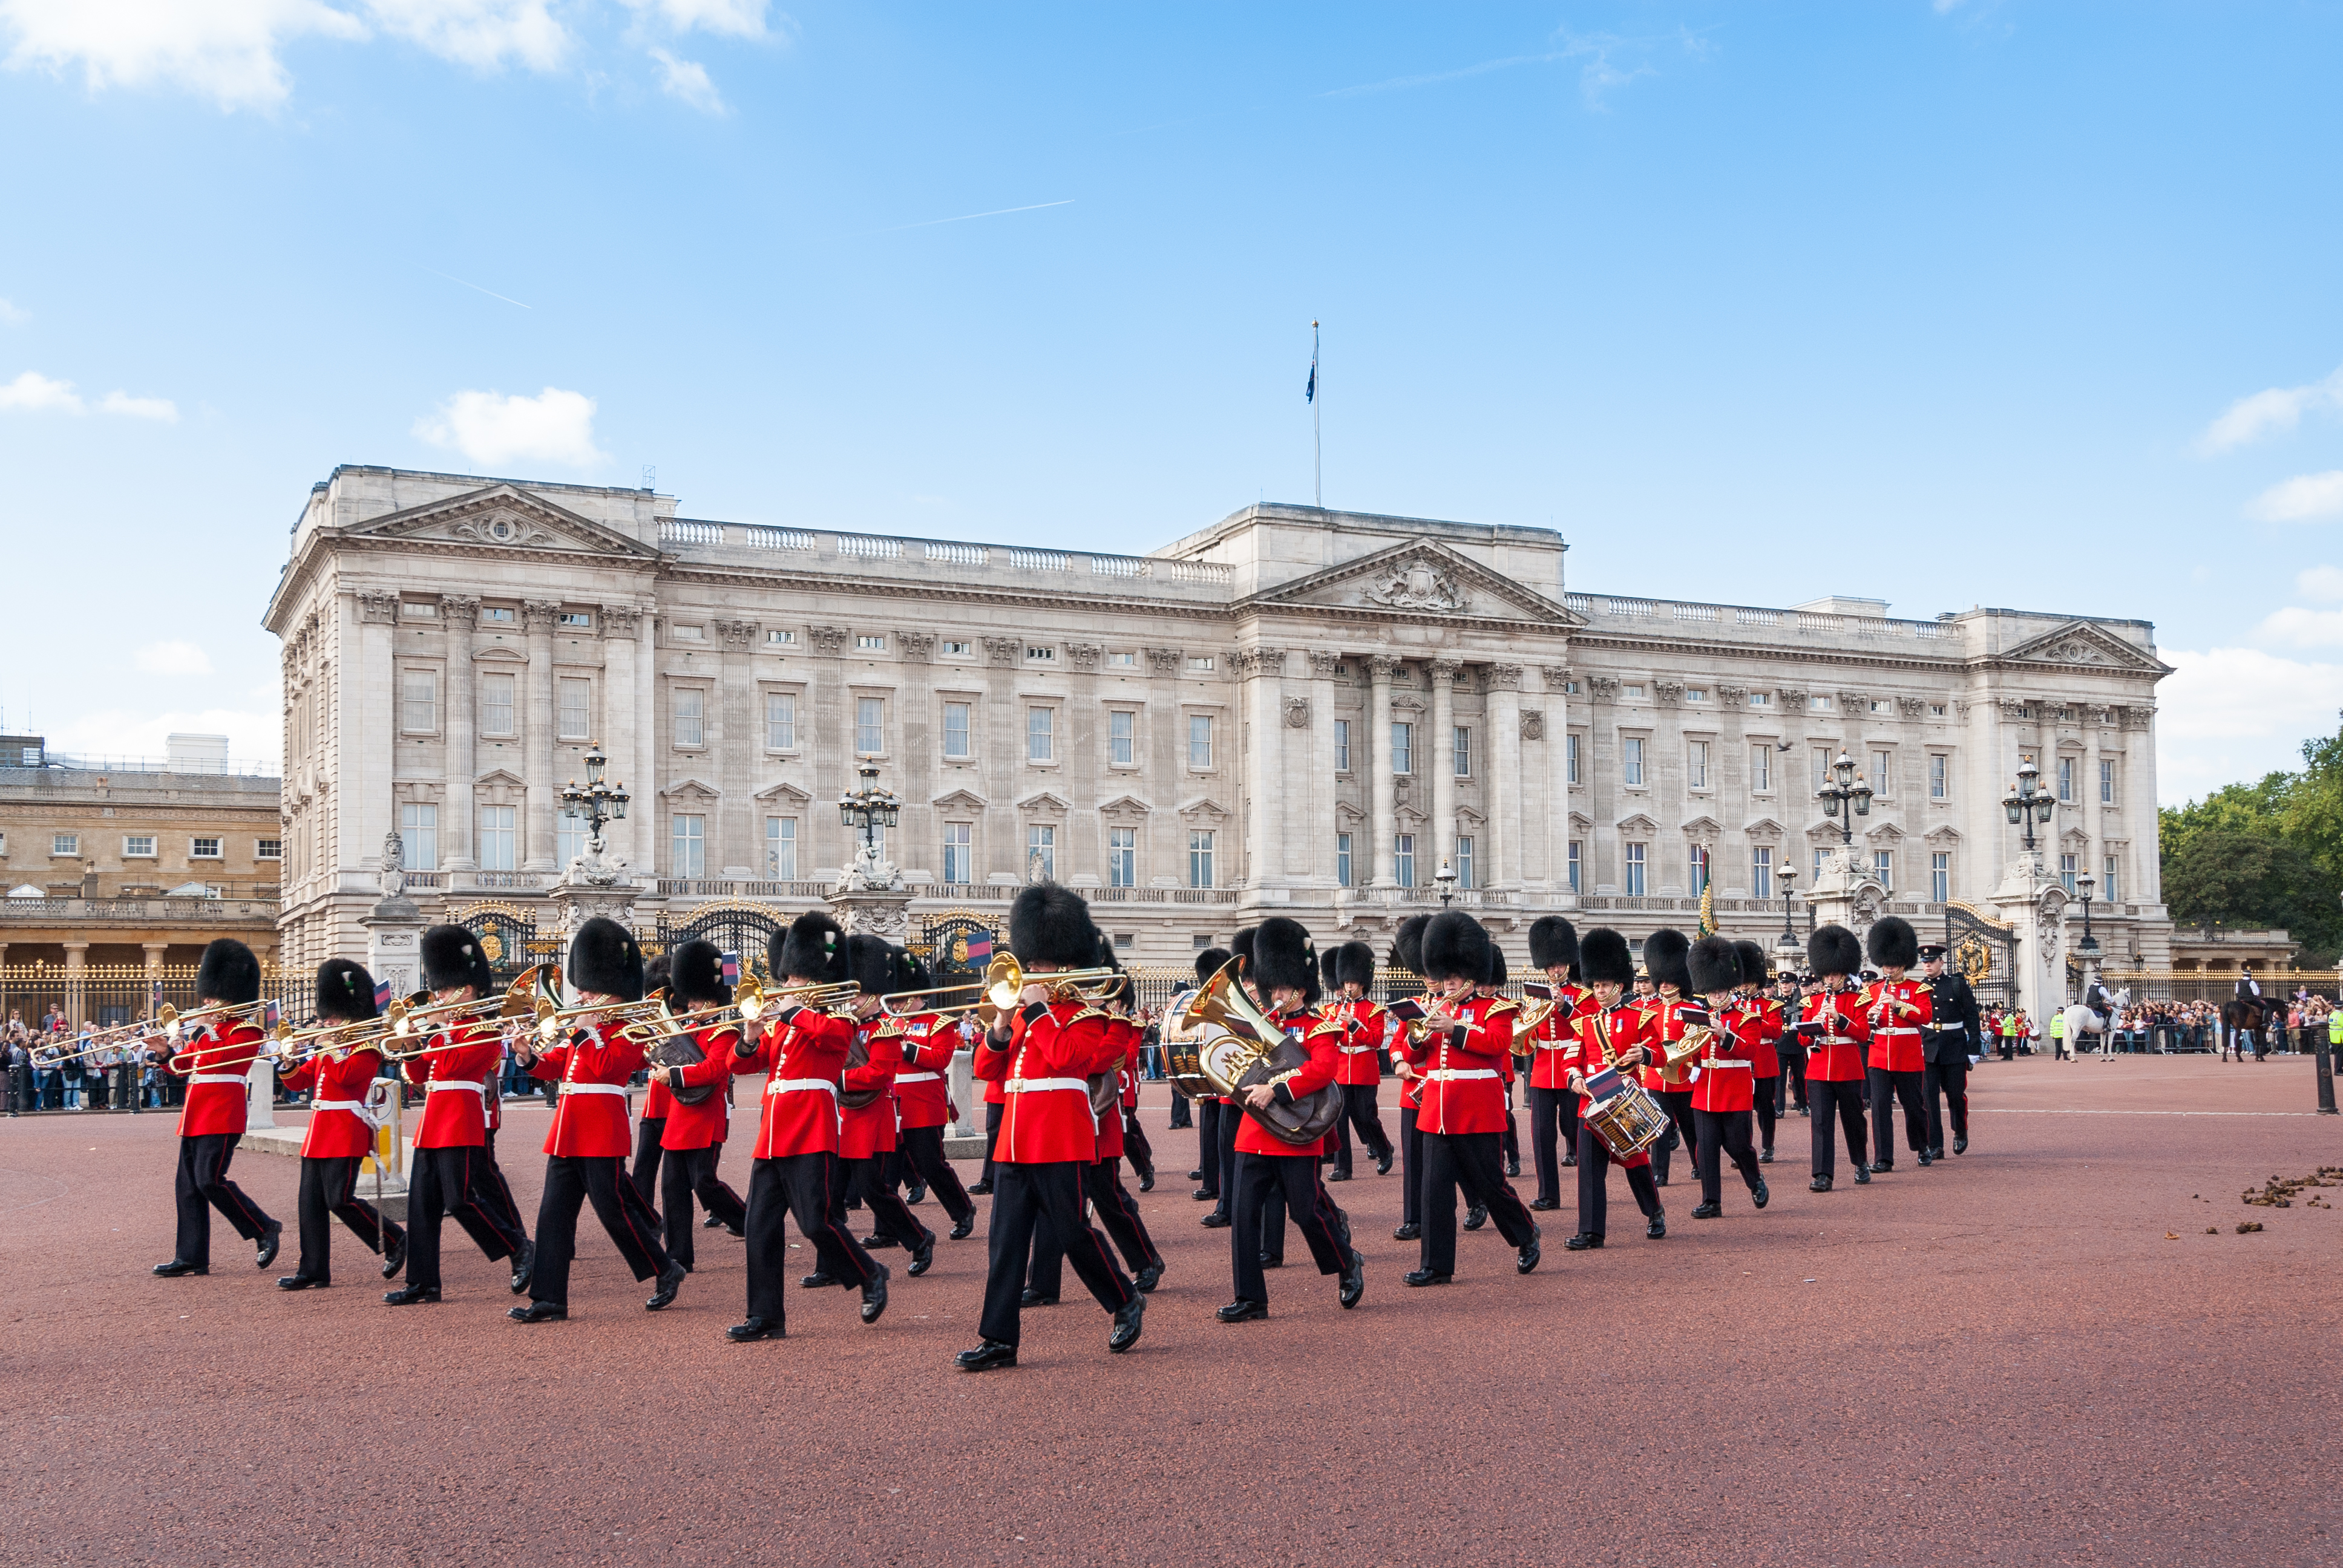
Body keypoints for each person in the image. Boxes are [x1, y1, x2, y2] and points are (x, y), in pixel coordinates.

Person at [955, 884, 1145, 1373]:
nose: (1028, 972)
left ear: (1061, 964)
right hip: (1016, 1144)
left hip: (1060, 1140)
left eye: (1035, 964)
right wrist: (998, 1029)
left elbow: (1068, 1060)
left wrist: (1037, 1012)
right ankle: (998, 1339)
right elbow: (987, 1071)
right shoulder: (1021, 1016)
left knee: (1073, 1233)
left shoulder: (1083, 1015)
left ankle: (1123, 1299)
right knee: (1005, 1247)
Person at [509, 918, 686, 1323]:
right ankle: (548, 1299)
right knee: (552, 1215)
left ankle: (664, 1269)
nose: (581, 995)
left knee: (614, 1214)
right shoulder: (588, 1031)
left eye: (588, 990)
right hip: (568, 1131)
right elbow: (557, 1068)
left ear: (611, 992)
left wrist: (586, 1034)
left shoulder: (630, 1031)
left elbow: (608, 1067)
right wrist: (526, 1055)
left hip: (601, 1132)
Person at [724, 911, 889, 1342]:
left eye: (797, 979)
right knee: (759, 1226)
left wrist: (795, 1012)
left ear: (818, 979)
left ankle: (869, 1273)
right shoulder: (787, 1023)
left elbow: (835, 1043)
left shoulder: (838, 1019)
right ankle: (766, 1317)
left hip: (811, 1127)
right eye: (789, 977)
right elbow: (742, 1065)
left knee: (815, 1222)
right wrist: (749, 1035)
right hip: (773, 1132)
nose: (788, 985)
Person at [1217, 918, 1363, 1322]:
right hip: (1254, 1133)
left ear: (1301, 988)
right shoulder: (1259, 1028)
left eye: (1284, 987)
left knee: (1305, 1212)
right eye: (1273, 987)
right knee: (1244, 1217)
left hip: (1297, 1132)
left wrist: (1277, 1090)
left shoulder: (1319, 1027)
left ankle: (1347, 1262)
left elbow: (1322, 1071)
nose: (1277, 994)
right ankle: (1251, 1298)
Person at [384, 926, 532, 1305]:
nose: (438, 997)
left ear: (465, 989)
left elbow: (454, 1066)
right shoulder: (444, 1032)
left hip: (461, 1120)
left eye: (444, 991)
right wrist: (413, 1047)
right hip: (434, 1120)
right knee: (422, 1206)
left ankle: (518, 1248)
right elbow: (421, 1077)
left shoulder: (481, 1029)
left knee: (460, 1200)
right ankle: (423, 1282)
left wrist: (434, 1033)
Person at [1391, 911, 1539, 1285]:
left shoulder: (1496, 1009)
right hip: (1437, 1111)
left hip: (1476, 1109)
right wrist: (1416, 1038)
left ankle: (1525, 1234)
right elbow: (1413, 1057)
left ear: (1471, 976)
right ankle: (1436, 1265)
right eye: (1444, 976)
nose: (1448, 982)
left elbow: (1497, 1045)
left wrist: (1456, 1030)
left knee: (1490, 1184)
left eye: (1454, 976)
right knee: (1435, 1190)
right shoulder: (1433, 1009)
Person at [1030, 938, 1167, 1304]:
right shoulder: (1060, 1017)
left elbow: (1089, 1064)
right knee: (1051, 1202)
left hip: (1097, 1121)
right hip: (1062, 1120)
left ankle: (1146, 1260)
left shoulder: (1114, 1024)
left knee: (1108, 1198)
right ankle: (1043, 1283)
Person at [151, 939, 284, 1278]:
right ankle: (191, 1256)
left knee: (210, 1181)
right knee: (188, 1187)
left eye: (211, 997)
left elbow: (221, 1059)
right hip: (196, 1114)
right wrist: (165, 1052)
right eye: (206, 996)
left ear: (231, 997)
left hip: (223, 1114)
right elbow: (184, 1068)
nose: (205, 1003)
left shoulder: (247, 1031)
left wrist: (206, 1031)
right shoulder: (207, 1033)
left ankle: (264, 1226)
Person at [275, 958, 405, 1290]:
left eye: (331, 1016)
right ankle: (313, 1269)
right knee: (310, 1205)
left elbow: (346, 1077)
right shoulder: (328, 1050)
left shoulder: (367, 1050)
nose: (325, 1021)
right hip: (320, 1132)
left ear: (350, 1016)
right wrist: (288, 1061)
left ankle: (396, 1238)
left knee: (340, 1200)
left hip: (346, 1131)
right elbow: (297, 1083)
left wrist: (329, 1048)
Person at [831, 934, 936, 1275]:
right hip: (842, 1117)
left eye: (856, 994)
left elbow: (878, 1074)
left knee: (874, 1190)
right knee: (830, 1195)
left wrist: (837, 1081)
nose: (851, 1000)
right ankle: (831, 1264)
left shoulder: (885, 1030)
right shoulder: (844, 1027)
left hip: (871, 1117)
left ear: (873, 995)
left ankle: (919, 1238)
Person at [647, 939, 749, 1273]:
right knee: (673, 1189)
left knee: (704, 1182)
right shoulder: (686, 1029)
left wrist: (673, 1075)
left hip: (706, 1115)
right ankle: (679, 1256)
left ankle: (748, 1221)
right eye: (691, 1001)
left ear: (713, 1000)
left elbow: (714, 1070)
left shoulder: (723, 1031)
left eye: (698, 1001)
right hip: (680, 1116)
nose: (693, 1007)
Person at [1561, 927, 1665, 1249]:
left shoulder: (1639, 1017)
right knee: (1589, 1170)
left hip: (1624, 1098)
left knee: (1635, 1163)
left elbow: (1662, 1054)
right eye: (1595, 985)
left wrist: (1644, 1054)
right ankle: (1591, 1231)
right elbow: (1571, 1058)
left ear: (1618, 985)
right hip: (1591, 1102)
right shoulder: (1587, 1022)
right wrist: (1574, 1078)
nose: (1599, 990)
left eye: (1604, 985)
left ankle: (1654, 1211)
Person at [884, 950, 978, 1244]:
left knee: (931, 1165)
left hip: (925, 1104)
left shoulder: (940, 1023)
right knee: (887, 1170)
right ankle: (885, 1229)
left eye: (900, 999)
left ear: (915, 996)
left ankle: (963, 1210)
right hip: (894, 1103)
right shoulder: (892, 1023)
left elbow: (940, 1059)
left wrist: (905, 1049)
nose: (896, 1005)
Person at [1687, 936, 1768, 1218]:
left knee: (1737, 1145)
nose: (1717, 997)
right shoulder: (1698, 1017)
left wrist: (1725, 1035)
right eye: (1712, 992)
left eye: (1721, 992)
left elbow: (1751, 1052)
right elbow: (1692, 1053)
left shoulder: (1747, 1019)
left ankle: (1755, 1178)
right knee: (1706, 1149)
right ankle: (1712, 1201)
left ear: (1730, 990)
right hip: (1705, 1090)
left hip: (1735, 1090)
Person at [1524, 916, 1592, 1210]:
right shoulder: (1535, 996)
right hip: (1541, 1071)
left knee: (1574, 1130)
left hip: (1571, 1069)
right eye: (1550, 966)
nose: (1554, 969)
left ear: (1567, 963)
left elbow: (1589, 1028)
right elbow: (1528, 1033)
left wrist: (1565, 1007)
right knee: (1541, 1136)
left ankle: (1585, 1190)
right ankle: (1548, 1193)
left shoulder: (1582, 995)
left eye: (1559, 964)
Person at [1801, 925, 1872, 1194]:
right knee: (1820, 1123)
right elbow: (1802, 1040)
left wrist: (1840, 1019)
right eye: (1826, 975)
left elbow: (1863, 1034)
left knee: (1854, 1121)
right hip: (1819, 1070)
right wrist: (1814, 1027)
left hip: (1848, 1067)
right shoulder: (1812, 1003)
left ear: (1843, 973)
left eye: (1834, 974)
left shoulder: (1857, 1000)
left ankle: (1860, 1162)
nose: (1830, 979)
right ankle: (1822, 1174)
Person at [1861, 917, 1933, 1172]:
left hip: (1907, 1054)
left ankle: (1922, 1146)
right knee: (1880, 1109)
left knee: (1913, 1106)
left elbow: (1924, 1017)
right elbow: (1863, 1020)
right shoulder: (1872, 991)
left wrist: (1898, 1005)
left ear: (1903, 964)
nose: (1888, 970)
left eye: (1893, 966)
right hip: (1879, 1054)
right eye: (1885, 966)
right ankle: (1883, 1157)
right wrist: (1870, 1016)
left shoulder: (1918, 988)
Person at [1323, 940, 1396, 1183]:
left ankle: (1384, 1148)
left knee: (1366, 1116)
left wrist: (1354, 1023)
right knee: (1340, 1119)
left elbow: (1376, 1041)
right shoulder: (1331, 1011)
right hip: (1342, 1070)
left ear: (1362, 984)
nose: (1348, 987)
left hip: (1364, 1069)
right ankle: (1343, 1167)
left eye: (1352, 983)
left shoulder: (1375, 1011)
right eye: (1346, 983)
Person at [1642, 930, 1702, 1187]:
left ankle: (1700, 1163)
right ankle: (1660, 1172)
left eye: (1669, 980)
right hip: (1657, 1078)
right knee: (1660, 1129)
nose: (1664, 984)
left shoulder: (1692, 1009)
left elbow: (1698, 1043)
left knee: (1691, 1128)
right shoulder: (1649, 1010)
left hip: (1685, 1077)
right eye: (1661, 980)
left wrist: (1696, 1069)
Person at [1386, 915, 1432, 1242]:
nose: (1430, 979)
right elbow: (1397, 1041)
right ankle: (1413, 1218)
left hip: (1443, 1091)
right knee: (1413, 1157)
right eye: (1426, 973)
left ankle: (1476, 1202)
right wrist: (1399, 1060)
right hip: (1412, 1089)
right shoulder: (1415, 1007)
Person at [1178, 947, 1230, 1206]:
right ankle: (1210, 1182)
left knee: (1225, 1137)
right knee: (1209, 1132)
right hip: (1207, 1075)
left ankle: (1224, 1186)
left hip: (1228, 1078)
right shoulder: (1202, 1002)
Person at [1920, 943, 1979, 1157]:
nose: (1927, 965)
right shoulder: (1920, 988)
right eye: (1925, 963)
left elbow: (1972, 1017)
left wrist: (1974, 1049)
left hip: (1954, 1046)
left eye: (1931, 961)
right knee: (1929, 1098)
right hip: (1929, 1047)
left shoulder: (1957, 985)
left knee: (1955, 1095)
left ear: (1941, 962)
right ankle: (1935, 1144)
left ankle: (1960, 1130)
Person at [628, 953, 675, 1215]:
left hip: (682, 1104)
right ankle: (643, 1216)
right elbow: (637, 1064)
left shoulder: (688, 1022)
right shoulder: (649, 1023)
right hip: (654, 1107)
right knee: (643, 1168)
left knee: (689, 1175)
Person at [1733, 941, 1783, 1162]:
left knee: (1765, 1109)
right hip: (1742, 1063)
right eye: (1742, 983)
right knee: (1741, 1111)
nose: (1744, 987)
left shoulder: (1770, 1005)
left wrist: (1753, 1021)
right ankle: (1743, 1149)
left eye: (1748, 983)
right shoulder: (1733, 1006)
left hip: (1763, 1061)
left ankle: (1768, 1146)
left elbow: (1776, 1031)